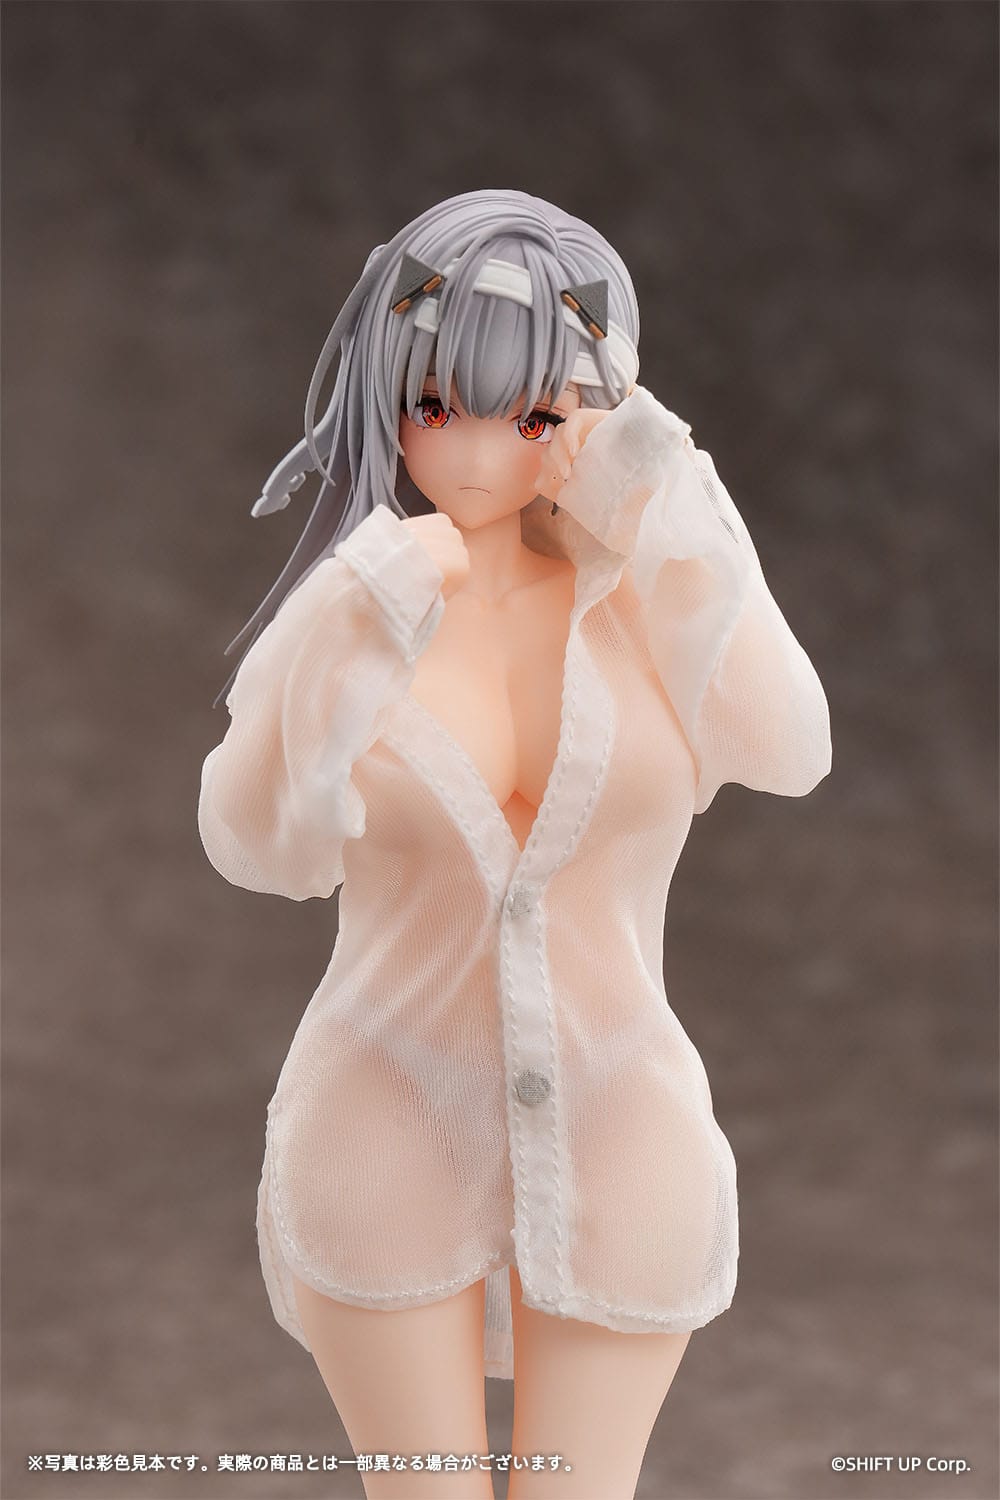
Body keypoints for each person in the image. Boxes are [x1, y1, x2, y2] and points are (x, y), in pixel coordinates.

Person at [197, 188, 832, 1500]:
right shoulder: (357, 607)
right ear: (388, 393)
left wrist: (666, 487)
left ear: (593, 408)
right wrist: (354, 631)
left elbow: (790, 746)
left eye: (535, 414)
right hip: (381, 1117)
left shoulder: (641, 597)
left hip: (625, 1123)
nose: (482, 453)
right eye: (439, 404)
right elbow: (259, 845)